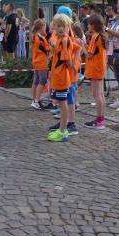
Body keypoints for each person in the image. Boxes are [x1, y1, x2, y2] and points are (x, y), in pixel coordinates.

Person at [47, 14, 75, 142]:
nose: (61, 28)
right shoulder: (59, 39)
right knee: (60, 103)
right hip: (58, 76)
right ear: (54, 27)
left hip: (62, 77)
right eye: (58, 26)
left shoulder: (64, 40)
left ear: (68, 27)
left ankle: (63, 131)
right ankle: (62, 129)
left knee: (63, 104)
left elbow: (68, 62)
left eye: (64, 26)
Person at [84, 14, 108, 129]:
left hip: (95, 68)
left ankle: (99, 121)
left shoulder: (95, 37)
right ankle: (101, 119)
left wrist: (82, 45)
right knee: (101, 94)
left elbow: (89, 55)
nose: (88, 26)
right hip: (100, 68)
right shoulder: (101, 36)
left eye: (89, 24)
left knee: (97, 95)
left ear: (93, 25)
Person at [30, 18, 50, 110]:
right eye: (45, 27)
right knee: (42, 81)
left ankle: (34, 100)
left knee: (36, 81)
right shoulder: (40, 39)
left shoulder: (35, 36)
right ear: (41, 27)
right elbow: (48, 49)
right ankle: (37, 101)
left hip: (36, 61)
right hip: (42, 62)